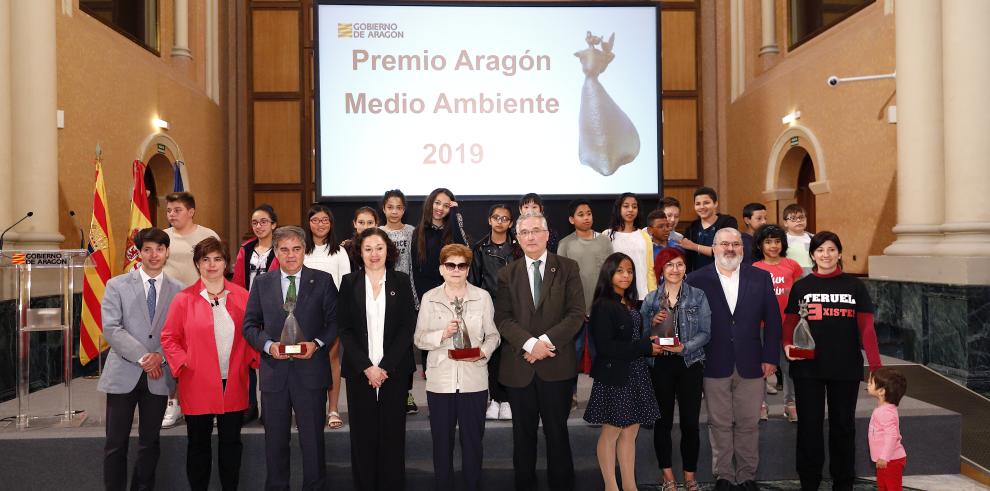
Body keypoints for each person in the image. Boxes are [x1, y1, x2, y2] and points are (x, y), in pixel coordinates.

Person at [783, 231, 882, 491]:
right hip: (807, 368)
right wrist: (787, 347)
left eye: (830, 249)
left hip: (845, 368)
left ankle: (843, 482)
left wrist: (876, 367)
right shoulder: (801, 287)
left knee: (843, 427)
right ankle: (809, 482)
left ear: (838, 253)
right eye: (820, 250)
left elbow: (867, 329)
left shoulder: (855, 287)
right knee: (809, 428)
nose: (825, 255)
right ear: (812, 255)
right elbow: (790, 323)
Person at [494, 212, 586, 491]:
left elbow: (576, 314)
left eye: (536, 231)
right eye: (525, 232)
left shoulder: (568, 267)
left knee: (557, 434)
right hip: (519, 367)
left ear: (547, 235)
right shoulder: (507, 273)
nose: (531, 236)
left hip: (555, 365)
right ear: (517, 238)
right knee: (523, 437)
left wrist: (543, 343)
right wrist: (530, 344)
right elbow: (503, 318)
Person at [242, 225, 338, 490]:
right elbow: (249, 326)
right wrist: (268, 345)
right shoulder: (262, 284)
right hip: (275, 375)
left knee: (313, 443)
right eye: (284, 249)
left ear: (304, 250)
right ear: (275, 252)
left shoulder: (323, 280)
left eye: (296, 249)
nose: (291, 255)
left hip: (310, 374)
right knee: (274, 443)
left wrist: (317, 343)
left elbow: (335, 322)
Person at [685, 227, 780, 491]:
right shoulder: (695, 279)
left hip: (752, 361)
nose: (730, 249)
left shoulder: (760, 277)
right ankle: (724, 475)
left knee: (749, 423)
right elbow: (689, 323)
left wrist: (771, 356)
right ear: (714, 248)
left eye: (735, 244)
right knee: (719, 423)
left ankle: (747, 475)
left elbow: (773, 320)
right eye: (724, 244)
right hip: (712, 361)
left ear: (743, 248)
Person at [161, 237, 258, 491]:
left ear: (226, 263)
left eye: (217, 259)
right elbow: (169, 337)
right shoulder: (184, 299)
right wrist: (184, 364)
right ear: (197, 264)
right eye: (205, 259)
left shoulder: (242, 296)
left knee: (231, 444)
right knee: (198, 445)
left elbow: (252, 333)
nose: (212, 265)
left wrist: (257, 360)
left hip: (234, 380)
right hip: (197, 382)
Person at [99, 227, 183, 491]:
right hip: (123, 373)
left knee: (150, 443)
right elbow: (112, 328)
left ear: (167, 252)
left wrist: (160, 357)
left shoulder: (179, 291)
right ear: (139, 252)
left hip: (159, 376)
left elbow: (179, 333)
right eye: (147, 249)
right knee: (116, 443)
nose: (154, 254)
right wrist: (145, 357)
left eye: (159, 249)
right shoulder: (117, 285)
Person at [415, 244, 501, 491]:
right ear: (442, 269)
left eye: (461, 265)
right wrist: (442, 334)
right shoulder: (430, 297)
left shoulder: (482, 297)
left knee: (473, 442)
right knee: (441, 444)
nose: (456, 270)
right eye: (450, 265)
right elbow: (419, 338)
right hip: (440, 382)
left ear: (467, 269)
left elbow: (493, 336)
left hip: (474, 380)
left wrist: (482, 353)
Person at [337, 228, 418, 491]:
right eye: (368, 248)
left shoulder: (401, 281)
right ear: (359, 252)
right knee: (362, 438)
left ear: (388, 251)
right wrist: (367, 367)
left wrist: (383, 367)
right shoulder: (348, 283)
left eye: (379, 248)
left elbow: (407, 328)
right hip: (360, 371)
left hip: (392, 371)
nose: (374, 254)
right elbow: (345, 329)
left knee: (393, 437)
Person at [583, 252, 663, 491]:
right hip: (615, 374)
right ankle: (611, 486)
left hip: (636, 371)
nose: (626, 275)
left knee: (631, 431)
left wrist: (653, 337)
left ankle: (630, 486)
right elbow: (606, 347)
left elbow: (633, 337)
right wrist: (646, 346)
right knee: (612, 431)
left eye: (629, 271)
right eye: (620, 271)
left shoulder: (628, 302)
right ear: (609, 273)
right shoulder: (602, 306)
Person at [641, 248, 711, 491]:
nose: (675, 269)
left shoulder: (698, 296)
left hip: (689, 363)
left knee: (691, 423)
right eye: (669, 264)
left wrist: (684, 348)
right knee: (664, 423)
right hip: (660, 364)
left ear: (685, 268)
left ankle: (690, 477)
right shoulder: (650, 299)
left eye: (679, 264)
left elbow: (705, 332)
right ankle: (668, 477)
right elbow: (641, 337)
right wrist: (651, 325)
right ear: (661, 269)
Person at [162, 191, 220, 427]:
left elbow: (217, 265)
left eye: (177, 210)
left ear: (191, 212)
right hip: (171, 305)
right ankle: (173, 403)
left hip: (203, 303)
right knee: (173, 355)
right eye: (168, 211)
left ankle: (212, 404)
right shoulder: (162, 237)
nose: (171, 214)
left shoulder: (207, 235)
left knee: (207, 356)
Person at [412, 187, 470, 413]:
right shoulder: (418, 232)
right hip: (430, 300)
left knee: (458, 346)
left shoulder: (453, 228)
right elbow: (413, 270)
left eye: (447, 205)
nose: (440, 208)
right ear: (429, 203)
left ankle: (460, 398)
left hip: (455, 295)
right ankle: (436, 400)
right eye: (437, 203)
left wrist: (456, 216)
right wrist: (419, 303)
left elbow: (465, 248)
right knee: (433, 350)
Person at [558, 198, 613, 409]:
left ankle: (603, 395)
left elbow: (611, 274)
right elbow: (560, 280)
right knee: (574, 351)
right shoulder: (565, 244)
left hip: (601, 307)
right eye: (581, 214)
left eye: (588, 213)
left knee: (601, 352)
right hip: (575, 310)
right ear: (571, 219)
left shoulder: (604, 241)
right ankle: (570, 395)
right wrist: (573, 309)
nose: (586, 217)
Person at [467, 203, 519, 420]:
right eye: (496, 217)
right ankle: (495, 399)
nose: (500, 221)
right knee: (492, 354)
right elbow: (474, 282)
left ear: (511, 223)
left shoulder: (518, 248)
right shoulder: (479, 248)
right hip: (489, 308)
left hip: (515, 308)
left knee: (511, 354)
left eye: (504, 218)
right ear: (489, 220)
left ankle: (507, 400)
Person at [303, 204, 351, 430]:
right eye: (315, 220)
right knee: (306, 362)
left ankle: (333, 409)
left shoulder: (339, 251)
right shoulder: (301, 249)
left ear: (331, 224)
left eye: (325, 220)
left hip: (332, 315)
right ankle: (309, 410)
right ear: (308, 223)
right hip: (303, 315)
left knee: (332, 361)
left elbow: (346, 286)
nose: (320, 224)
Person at [232, 203, 280, 423]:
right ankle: (249, 405)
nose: (259, 226)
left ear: (273, 224)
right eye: (255, 222)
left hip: (273, 311)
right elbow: (239, 283)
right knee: (246, 361)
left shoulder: (281, 248)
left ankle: (270, 409)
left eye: (263, 222)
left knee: (270, 360)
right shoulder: (246, 249)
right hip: (247, 310)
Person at [752, 224, 803, 422]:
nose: (773, 246)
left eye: (777, 241)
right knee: (761, 366)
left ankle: (790, 404)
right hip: (762, 326)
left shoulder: (793, 265)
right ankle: (761, 404)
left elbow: (800, 295)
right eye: (768, 242)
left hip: (788, 325)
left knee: (790, 366)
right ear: (760, 245)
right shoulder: (755, 268)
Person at [603, 193, 657, 300]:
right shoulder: (607, 235)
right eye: (626, 206)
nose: (630, 210)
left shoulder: (644, 236)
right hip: (615, 296)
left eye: (634, 206)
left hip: (642, 295)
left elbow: (650, 269)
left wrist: (653, 294)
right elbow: (604, 269)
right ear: (619, 209)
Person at [868, 368, 908, 491]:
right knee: (883, 487)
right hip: (885, 460)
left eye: (871, 382)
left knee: (892, 488)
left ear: (881, 391)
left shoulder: (885, 412)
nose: (868, 384)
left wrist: (884, 457)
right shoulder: (885, 409)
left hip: (890, 461)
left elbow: (892, 435)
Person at [682, 187, 738, 273]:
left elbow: (725, 251)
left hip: (723, 277)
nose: (701, 207)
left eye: (706, 203)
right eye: (698, 204)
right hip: (697, 278)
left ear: (715, 203)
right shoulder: (692, 227)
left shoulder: (727, 222)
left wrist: (694, 246)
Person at [380, 189, 419, 302]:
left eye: (399, 207)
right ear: (383, 209)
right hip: (383, 285)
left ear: (403, 210)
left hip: (406, 284)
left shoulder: (412, 231)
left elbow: (414, 263)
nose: (394, 212)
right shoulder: (378, 233)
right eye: (390, 207)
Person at [343, 206, 380, 271]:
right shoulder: (346, 247)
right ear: (355, 223)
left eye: (370, 223)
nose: (365, 227)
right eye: (361, 222)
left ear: (376, 224)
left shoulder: (383, 247)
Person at [782, 204, 814, 275]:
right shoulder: (781, 239)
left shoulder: (813, 238)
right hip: (789, 274)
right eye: (793, 218)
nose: (799, 220)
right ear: (785, 223)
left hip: (811, 274)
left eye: (801, 217)